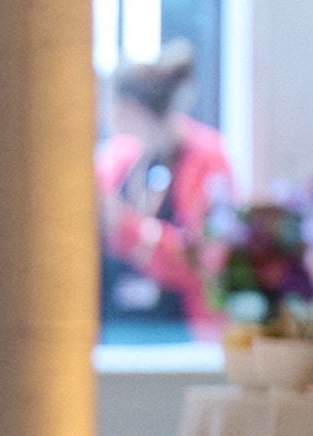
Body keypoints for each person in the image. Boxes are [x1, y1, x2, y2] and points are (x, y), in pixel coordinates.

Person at [96, 47, 236, 344]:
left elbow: (208, 259)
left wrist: (126, 227)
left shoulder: (207, 159)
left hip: (186, 333)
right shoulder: (118, 157)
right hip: (118, 330)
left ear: (130, 108)